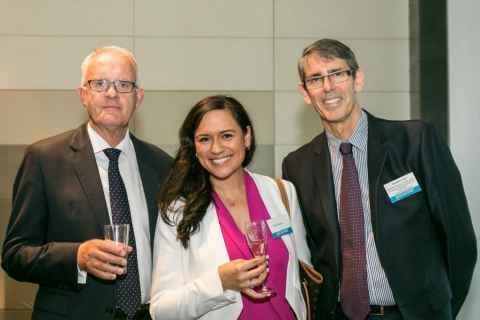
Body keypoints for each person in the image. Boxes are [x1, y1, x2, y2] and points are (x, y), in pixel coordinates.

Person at [282, 38, 477, 320]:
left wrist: (441, 309)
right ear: (305, 92)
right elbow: (310, 252)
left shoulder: (415, 142)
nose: (328, 88)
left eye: (337, 74)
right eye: (316, 79)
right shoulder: (297, 166)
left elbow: (459, 240)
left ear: (357, 79)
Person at [2, 46, 172, 320]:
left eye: (124, 84)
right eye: (100, 83)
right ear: (83, 94)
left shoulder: (162, 165)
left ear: (138, 97)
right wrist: (77, 257)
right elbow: (14, 255)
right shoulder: (45, 159)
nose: (112, 93)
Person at [149, 95, 311, 319]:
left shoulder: (282, 193)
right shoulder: (178, 211)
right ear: (194, 147)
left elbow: (303, 275)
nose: (216, 148)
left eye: (227, 136)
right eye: (204, 139)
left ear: (246, 137)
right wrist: (220, 282)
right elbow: (161, 310)